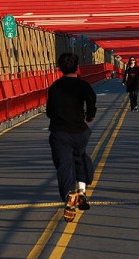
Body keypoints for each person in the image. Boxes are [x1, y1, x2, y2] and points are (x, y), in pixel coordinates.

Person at [47, 53, 96, 222]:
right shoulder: (83, 85)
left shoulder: (54, 87)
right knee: (79, 157)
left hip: (61, 132)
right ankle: (82, 189)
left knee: (64, 165)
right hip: (80, 132)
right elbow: (91, 101)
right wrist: (89, 116)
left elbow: (49, 112)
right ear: (77, 67)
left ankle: (70, 194)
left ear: (60, 68)